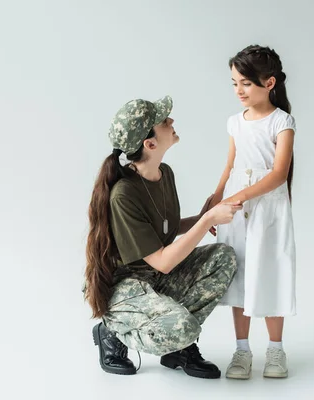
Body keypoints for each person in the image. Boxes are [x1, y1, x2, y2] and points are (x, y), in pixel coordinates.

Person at [84, 95, 241, 379]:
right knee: (184, 328)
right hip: (126, 287)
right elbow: (162, 261)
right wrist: (206, 221)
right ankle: (113, 330)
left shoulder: (163, 173)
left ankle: (178, 350)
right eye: (163, 121)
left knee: (223, 258)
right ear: (150, 144)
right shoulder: (123, 194)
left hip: (155, 279)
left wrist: (199, 218)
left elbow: (161, 229)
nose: (171, 122)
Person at [206, 45, 297, 379]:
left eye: (245, 83)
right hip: (235, 207)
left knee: (270, 270)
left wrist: (240, 196)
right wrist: (215, 201)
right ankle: (242, 350)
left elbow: (277, 174)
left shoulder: (282, 122)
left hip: (267, 208)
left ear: (269, 82)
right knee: (239, 273)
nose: (238, 91)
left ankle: (276, 350)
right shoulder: (234, 122)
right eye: (234, 83)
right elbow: (230, 165)